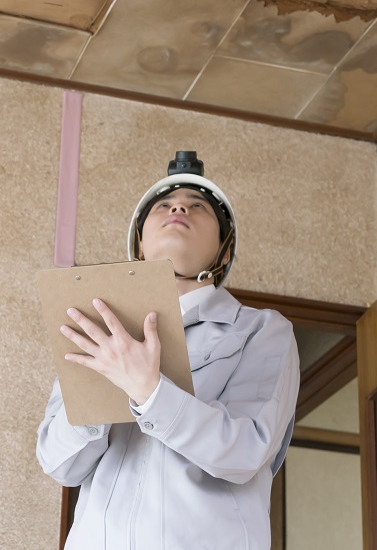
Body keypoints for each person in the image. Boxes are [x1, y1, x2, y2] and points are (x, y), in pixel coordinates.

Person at [36, 152, 300, 549]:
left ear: (223, 252)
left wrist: (151, 392)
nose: (178, 207)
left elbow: (247, 452)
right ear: (139, 246)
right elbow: (60, 464)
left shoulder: (261, 331)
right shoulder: (100, 329)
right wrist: (102, 390)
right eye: (164, 205)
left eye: (198, 206)